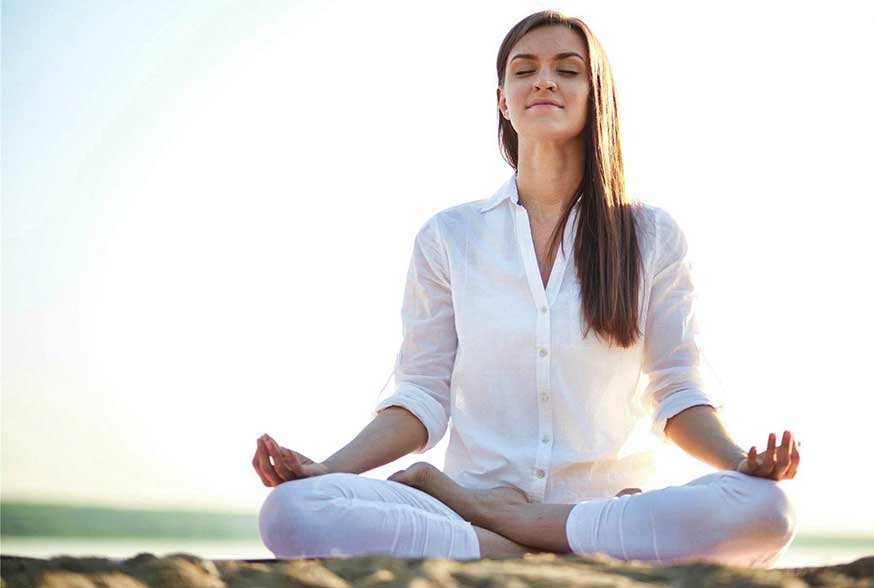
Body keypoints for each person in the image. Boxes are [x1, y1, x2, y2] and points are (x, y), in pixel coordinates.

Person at [253, 10, 801, 567]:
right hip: (480, 509)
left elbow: (677, 391)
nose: (543, 81)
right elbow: (420, 396)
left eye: (567, 70)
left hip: (605, 506)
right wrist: (327, 468)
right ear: (502, 99)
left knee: (767, 509)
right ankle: (542, 539)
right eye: (524, 70)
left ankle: (507, 528)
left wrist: (739, 463)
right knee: (293, 510)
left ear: (596, 95)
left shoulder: (651, 235)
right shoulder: (450, 236)